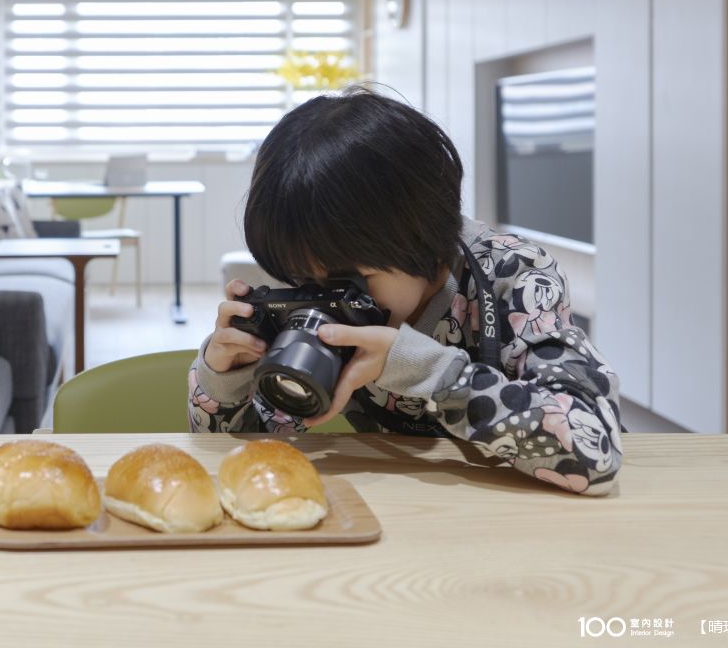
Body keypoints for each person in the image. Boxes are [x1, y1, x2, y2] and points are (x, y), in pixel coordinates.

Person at [188, 85, 623, 496]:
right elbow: (251, 459)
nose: (328, 300)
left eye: (350, 283)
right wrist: (226, 381)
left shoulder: (515, 276)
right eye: (303, 281)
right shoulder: (321, 286)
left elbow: (596, 454)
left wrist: (424, 368)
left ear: (427, 242)